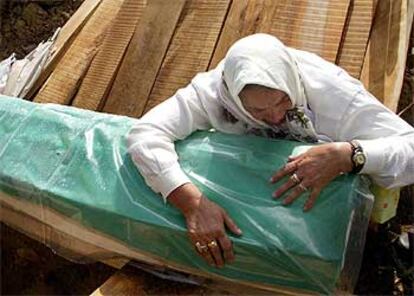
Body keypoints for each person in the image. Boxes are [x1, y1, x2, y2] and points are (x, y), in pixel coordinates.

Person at [127, 34, 414, 268]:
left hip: (335, 205)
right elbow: (145, 133)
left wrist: (348, 155)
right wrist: (192, 204)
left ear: (291, 82)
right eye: (257, 111)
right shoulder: (214, 93)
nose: (276, 117)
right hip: (263, 196)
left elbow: (409, 147)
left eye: (282, 102)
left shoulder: (334, 92)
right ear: (234, 97)